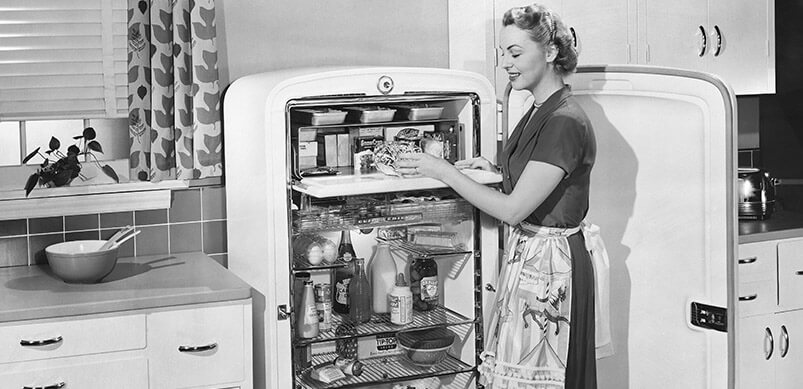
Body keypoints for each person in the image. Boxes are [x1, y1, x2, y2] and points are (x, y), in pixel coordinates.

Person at [396, 3, 598, 388]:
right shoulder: (540, 109)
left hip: (553, 266)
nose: (506, 63)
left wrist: (444, 171)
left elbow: (513, 208)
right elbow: (528, 179)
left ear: (551, 52)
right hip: (534, 257)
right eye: (502, 53)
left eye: (516, 53)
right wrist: (491, 168)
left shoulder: (565, 121)